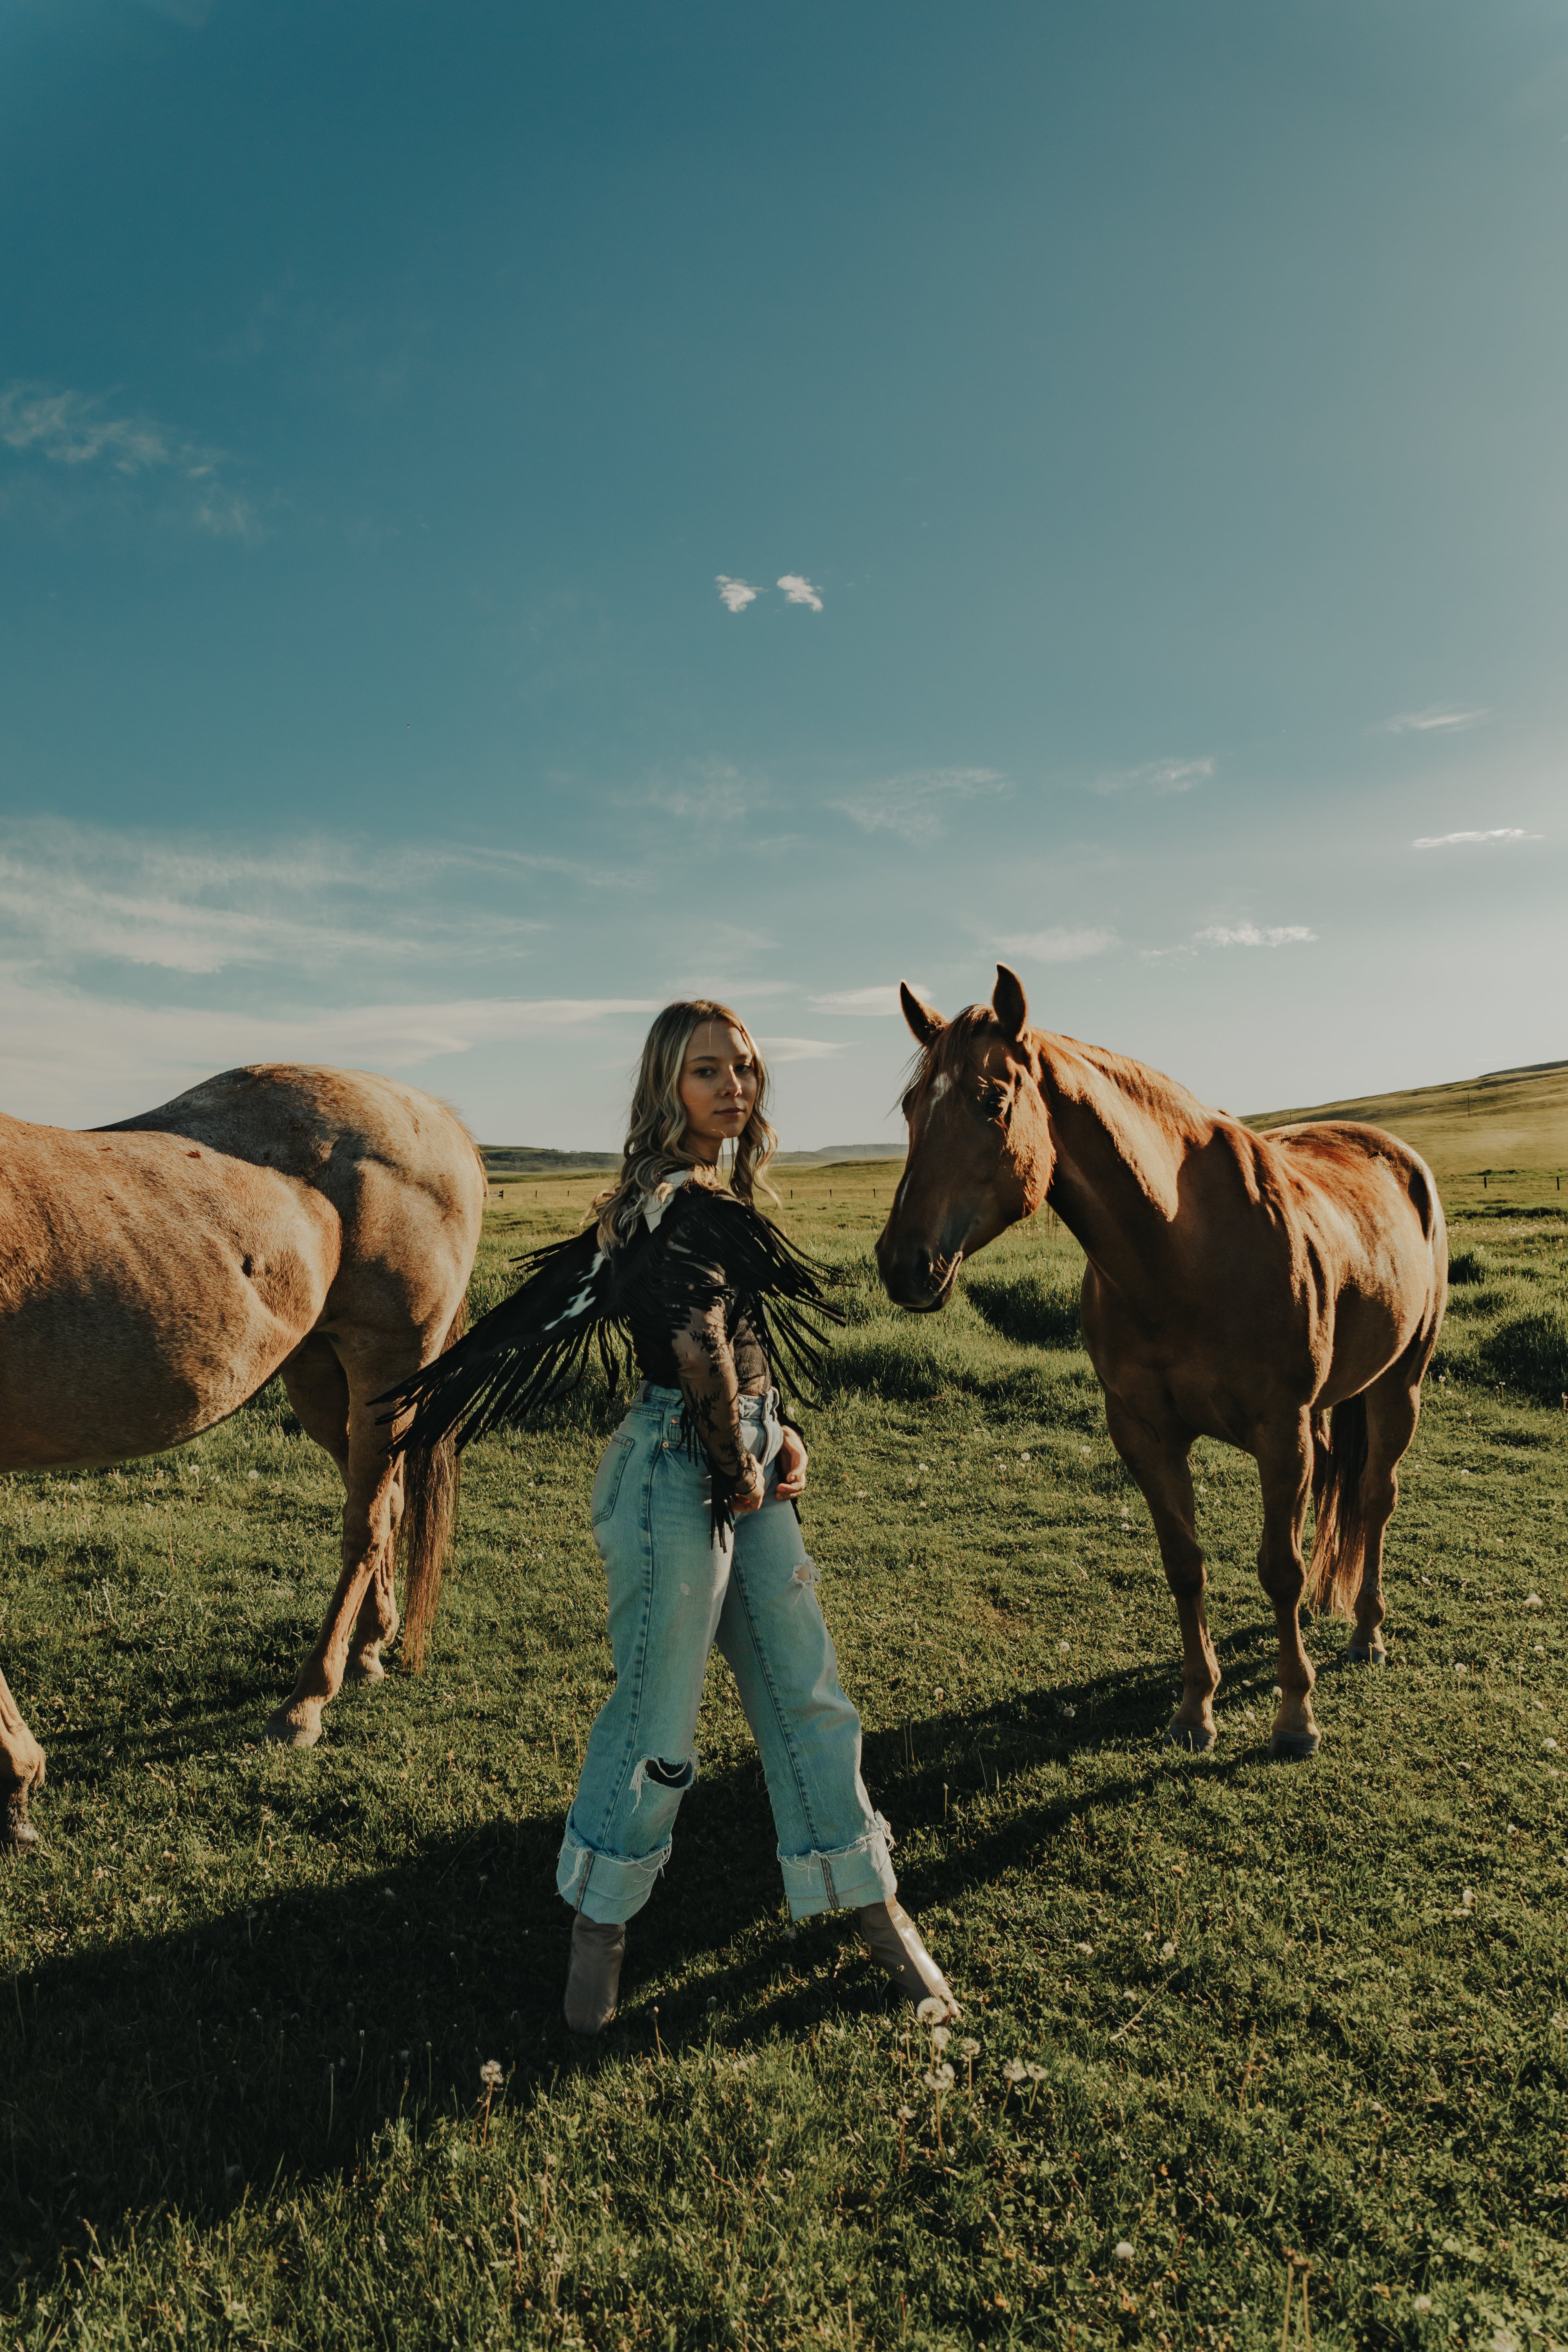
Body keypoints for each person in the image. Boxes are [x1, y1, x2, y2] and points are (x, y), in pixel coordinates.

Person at [387, 999, 956, 2036]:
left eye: (744, 1067)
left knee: (809, 1694)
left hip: (741, 1451)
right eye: (707, 1071)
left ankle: (872, 1907)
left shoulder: (704, 1195)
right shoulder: (673, 1200)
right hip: (675, 1471)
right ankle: (598, 1936)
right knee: (659, 1725)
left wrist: (776, 1429)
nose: (734, 1086)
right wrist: (736, 1461)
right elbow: (692, 1339)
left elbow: (735, 1328)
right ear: (667, 1087)